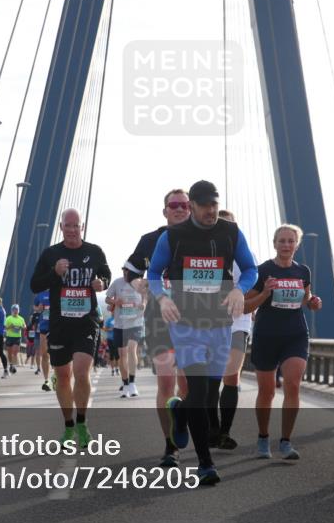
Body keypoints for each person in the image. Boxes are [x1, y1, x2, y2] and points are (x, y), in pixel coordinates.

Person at [148, 180, 258, 485]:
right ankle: (205, 464)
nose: (211, 210)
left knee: (210, 394)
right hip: (186, 324)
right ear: (193, 206)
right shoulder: (173, 236)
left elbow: (251, 269)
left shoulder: (231, 232)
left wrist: (239, 291)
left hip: (220, 324)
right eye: (205, 205)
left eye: (214, 204)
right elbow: (154, 273)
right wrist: (163, 297)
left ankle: (180, 414)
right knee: (197, 390)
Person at [29, 209, 111, 449]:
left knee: (81, 370)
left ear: (82, 227)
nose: (73, 230)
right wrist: (54, 272)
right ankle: (68, 426)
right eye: (68, 225)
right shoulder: (51, 254)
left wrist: (102, 283)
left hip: (86, 321)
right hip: (59, 323)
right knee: (63, 377)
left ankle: (83, 422)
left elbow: (106, 273)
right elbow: (34, 284)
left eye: (77, 226)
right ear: (61, 227)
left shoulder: (94, 252)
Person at [125, 188, 192, 467]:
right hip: (158, 319)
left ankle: (183, 422)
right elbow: (130, 270)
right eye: (173, 205)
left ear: (191, 209)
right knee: (166, 380)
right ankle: (170, 447)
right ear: (164, 210)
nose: (179, 209)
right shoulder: (150, 240)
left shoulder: (203, 239)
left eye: (184, 205)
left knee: (188, 385)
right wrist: (137, 284)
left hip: (195, 320)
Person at [244, 224, 323, 460]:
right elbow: (247, 306)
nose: (286, 245)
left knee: (293, 385)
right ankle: (263, 437)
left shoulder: (303, 272)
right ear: (274, 243)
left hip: (295, 334)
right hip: (266, 335)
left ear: (296, 245)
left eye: (291, 241)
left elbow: (307, 299)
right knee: (266, 392)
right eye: (282, 241)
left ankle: (286, 442)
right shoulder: (263, 270)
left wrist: (313, 303)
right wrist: (265, 294)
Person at [208, 209, 253, 449]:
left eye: (230, 225)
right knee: (212, 378)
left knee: (231, 375)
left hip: (238, 322)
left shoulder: (245, 254)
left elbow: (253, 279)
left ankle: (224, 432)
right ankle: (213, 429)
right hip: (210, 322)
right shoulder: (206, 252)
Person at [105, 267, 147, 398]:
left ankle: (133, 383)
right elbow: (107, 298)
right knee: (122, 354)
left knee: (132, 350)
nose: (125, 274)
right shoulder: (117, 283)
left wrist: (144, 304)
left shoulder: (140, 283)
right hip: (120, 323)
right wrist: (114, 301)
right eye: (123, 271)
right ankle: (126, 383)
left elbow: (145, 297)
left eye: (128, 271)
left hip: (136, 322)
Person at [33, 290, 52, 390]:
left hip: (57, 326)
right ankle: (47, 380)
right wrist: (38, 308)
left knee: (57, 354)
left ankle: (56, 377)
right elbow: (35, 307)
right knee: (45, 354)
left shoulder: (59, 289)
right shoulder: (40, 294)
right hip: (44, 326)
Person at [5, 304, 26, 371]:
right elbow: (5, 328)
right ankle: (11, 364)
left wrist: (22, 327)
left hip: (17, 337)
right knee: (9, 353)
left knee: (15, 352)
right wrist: (10, 327)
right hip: (9, 337)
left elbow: (25, 326)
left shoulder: (21, 319)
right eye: (14, 309)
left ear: (18, 311)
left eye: (17, 309)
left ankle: (13, 365)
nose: (15, 311)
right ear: (12, 310)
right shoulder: (8, 318)